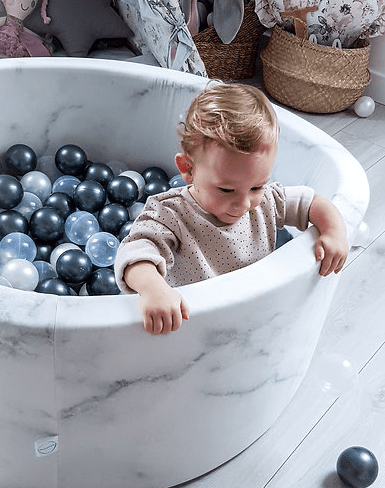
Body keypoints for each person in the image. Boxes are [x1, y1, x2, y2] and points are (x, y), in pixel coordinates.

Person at [114, 83, 349, 335]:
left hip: (250, 313)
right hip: (189, 324)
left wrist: (334, 230)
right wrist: (153, 289)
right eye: (226, 190)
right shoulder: (169, 214)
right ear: (188, 169)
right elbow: (134, 254)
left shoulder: (268, 200)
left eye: (257, 186)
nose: (244, 204)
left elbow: (312, 202)